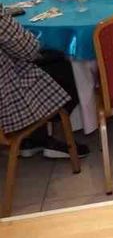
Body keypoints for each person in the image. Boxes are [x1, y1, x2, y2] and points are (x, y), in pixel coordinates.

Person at [0, 9, 86, 159]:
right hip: (7, 102)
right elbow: (29, 48)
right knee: (65, 67)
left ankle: (33, 139)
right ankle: (58, 139)